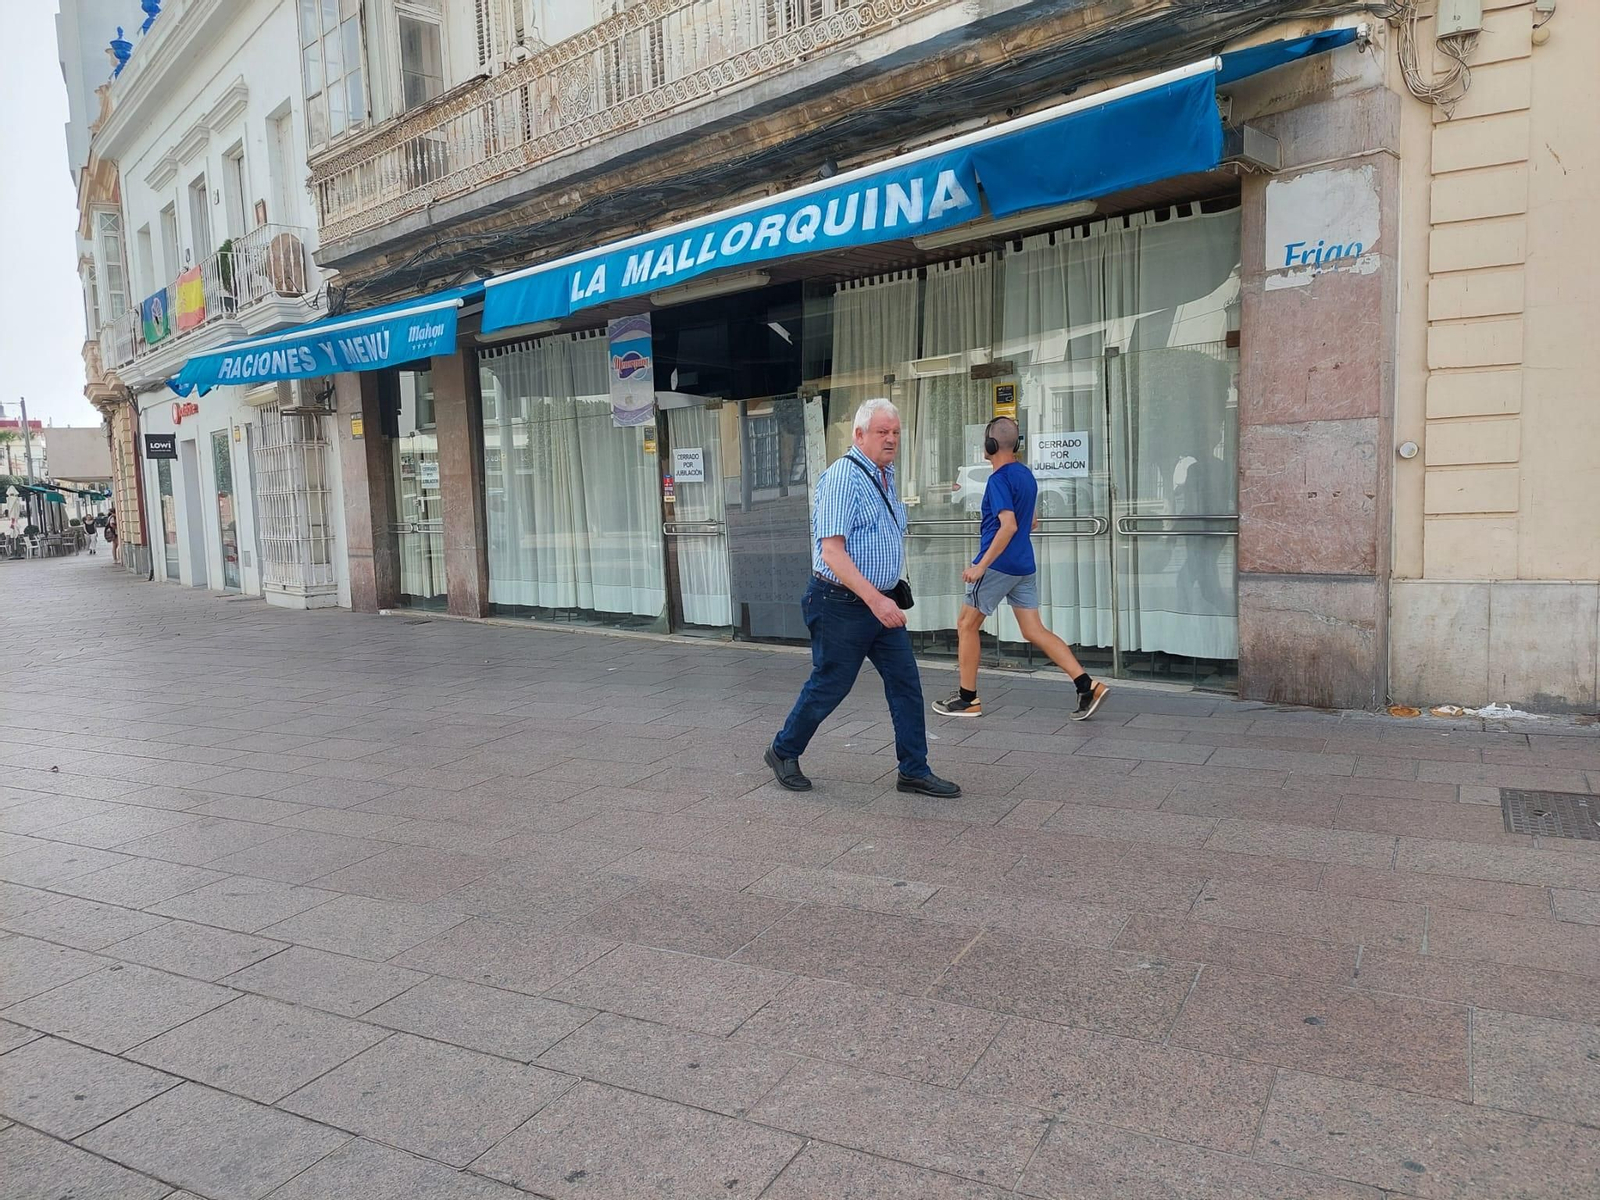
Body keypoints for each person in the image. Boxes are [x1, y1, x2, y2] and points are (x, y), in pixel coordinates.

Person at [766, 398, 961, 798]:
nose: (891, 439)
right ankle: (783, 750)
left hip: (880, 603)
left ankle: (913, 770)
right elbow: (832, 553)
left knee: (906, 683)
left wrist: (884, 595)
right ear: (859, 434)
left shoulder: (885, 474)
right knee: (831, 685)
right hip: (841, 603)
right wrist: (876, 600)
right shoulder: (843, 477)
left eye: (896, 432)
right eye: (882, 432)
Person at [933, 416, 1109, 720]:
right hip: (1023, 564)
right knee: (1034, 629)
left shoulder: (998, 480)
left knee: (966, 624)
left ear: (990, 445)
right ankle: (1086, 686)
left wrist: (981, 565)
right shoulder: (1025, 474)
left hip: (998, 565)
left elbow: (1009, 525)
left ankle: (967, 699)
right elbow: (1033, 521)